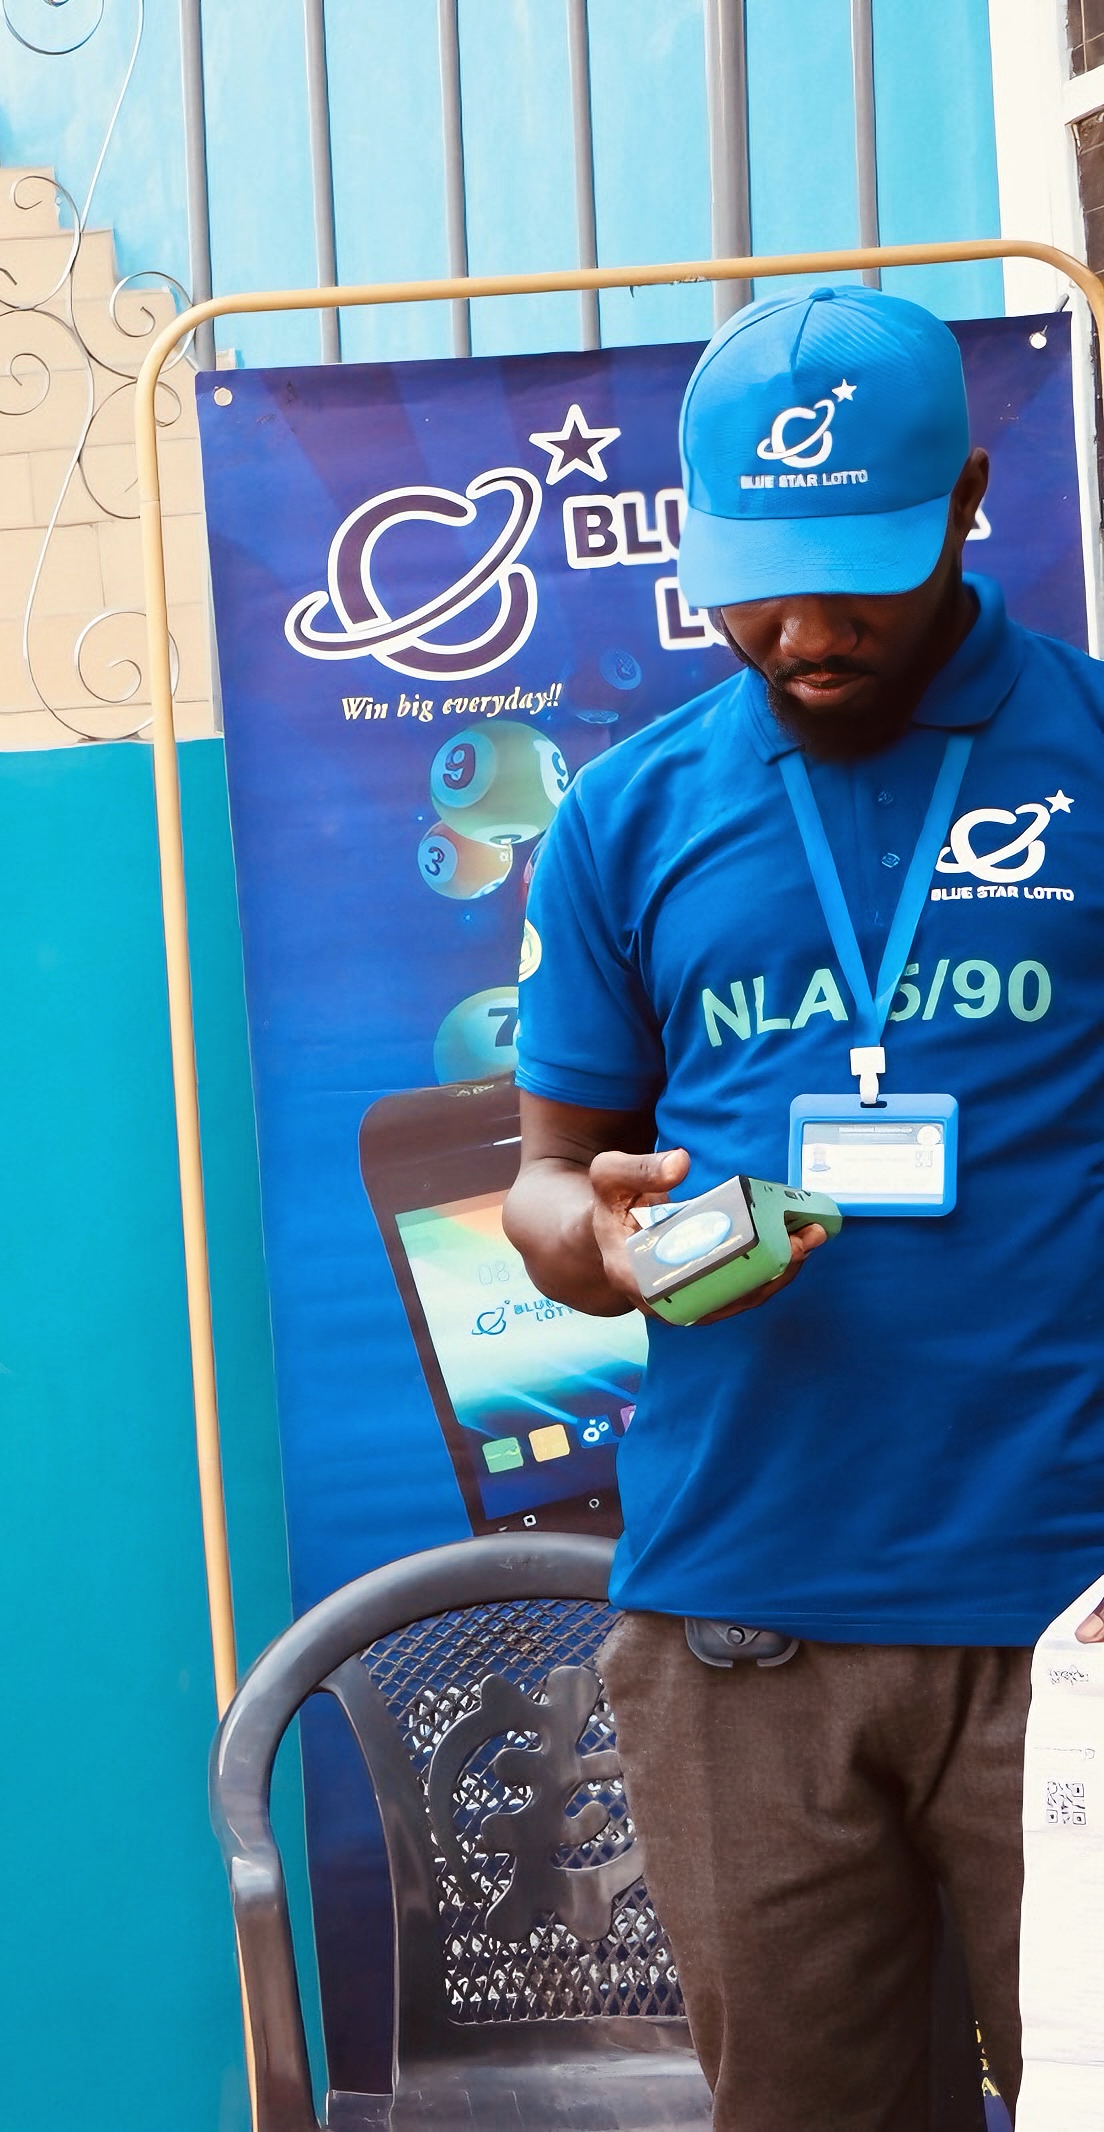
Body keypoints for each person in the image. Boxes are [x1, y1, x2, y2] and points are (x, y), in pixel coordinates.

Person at [506, 286, 1104, 2126]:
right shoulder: (631, 813)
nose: (808, 630)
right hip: (745, 1627)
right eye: (759, 584)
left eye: (860, 576)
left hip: (1073, 1612)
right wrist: (601, 1242)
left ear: (972, 501)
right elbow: (542, 1185)